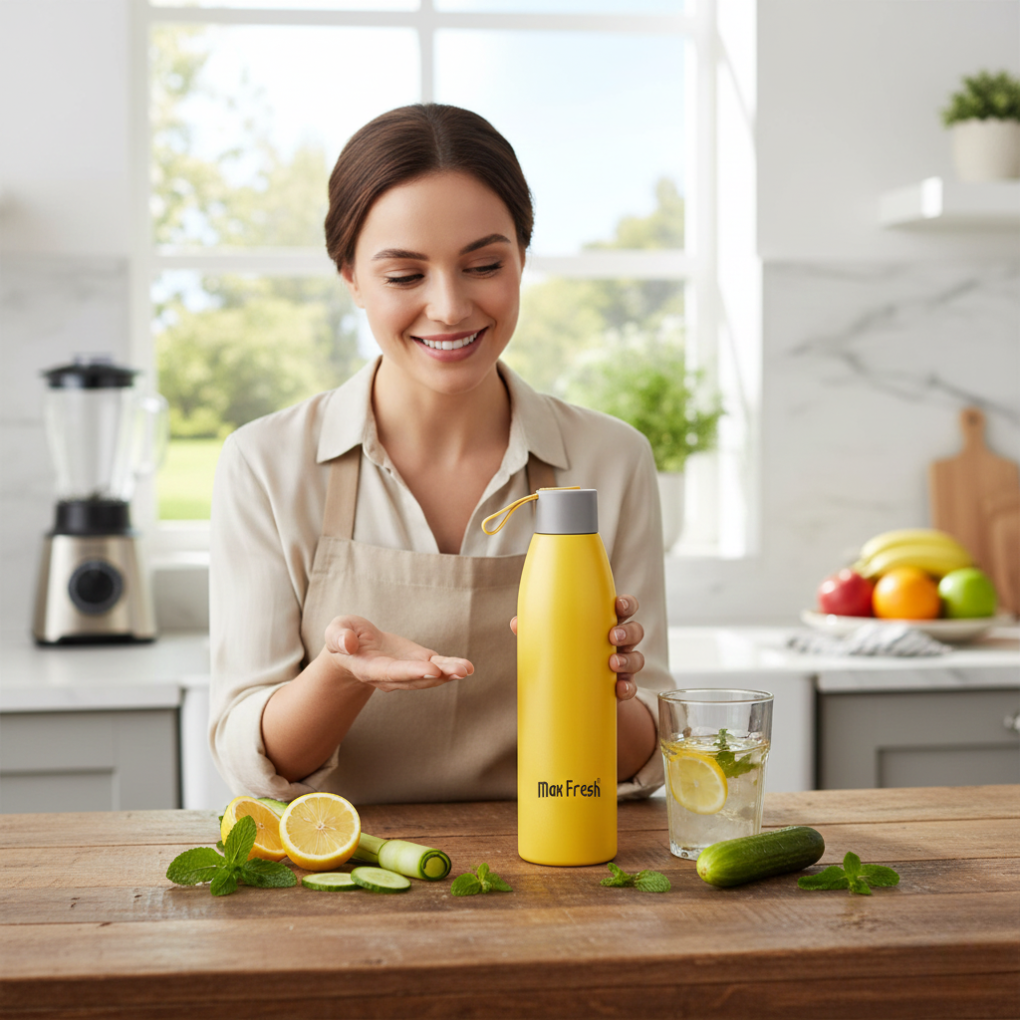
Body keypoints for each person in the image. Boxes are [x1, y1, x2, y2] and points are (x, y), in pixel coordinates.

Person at [209, 103, 671, 805]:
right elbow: (251, 757)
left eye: (484, 264)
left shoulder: (612, 459)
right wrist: (342, 672)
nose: (450, 307)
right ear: (350, 278)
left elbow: (644, 758)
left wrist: (588, 675)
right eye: (404, 276)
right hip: (347, 877)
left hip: (561, 873)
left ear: (522, 259)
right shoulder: (265, 464)